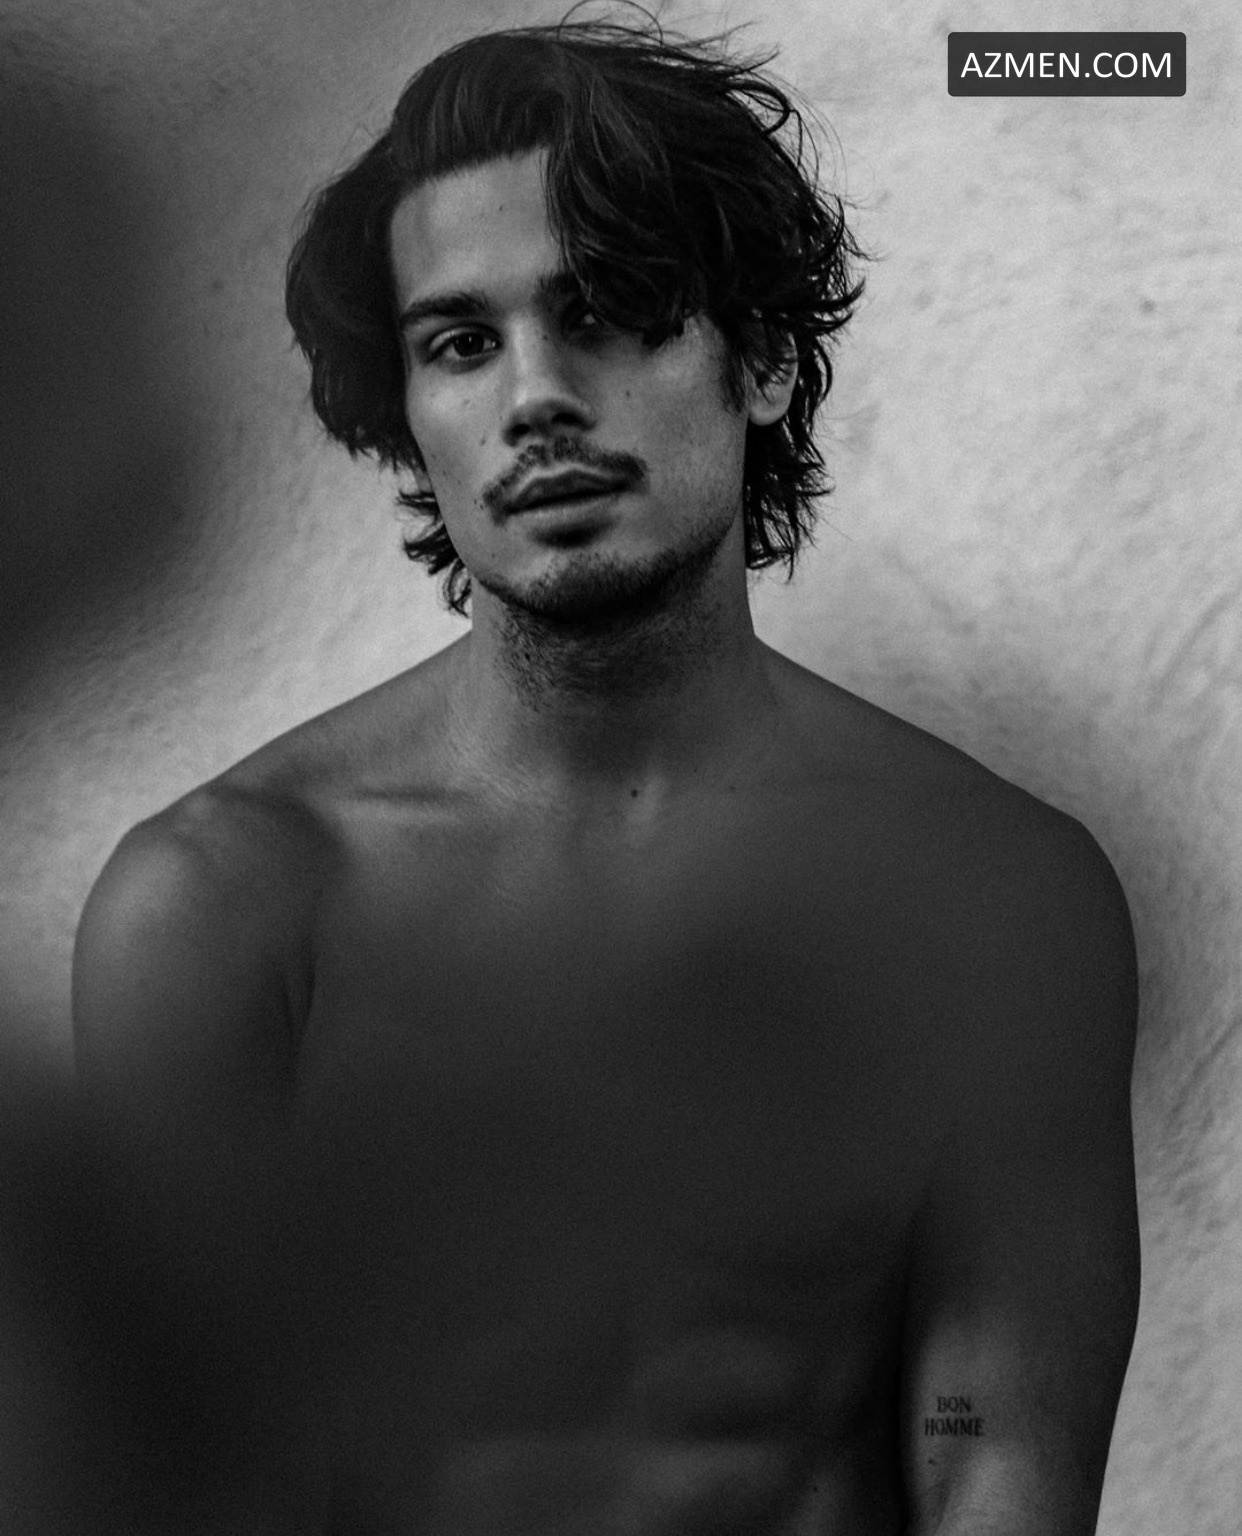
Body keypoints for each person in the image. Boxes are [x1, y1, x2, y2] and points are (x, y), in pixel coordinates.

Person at [72, 12, 1141, 1534]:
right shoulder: (227, 904)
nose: (535, 398)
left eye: (607, 310)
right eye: (460, 343)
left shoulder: (986, 894)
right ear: (408, 418)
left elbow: (993, 1451)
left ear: (760, 360)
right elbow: (168, 1482)